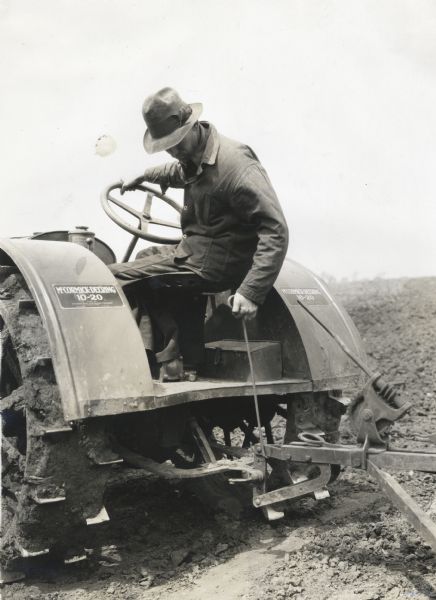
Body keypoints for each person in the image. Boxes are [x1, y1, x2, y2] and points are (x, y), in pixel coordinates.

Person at [109, 87, 289, 379]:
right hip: (200, 252)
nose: (174, 151)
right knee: (145, 257)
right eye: (167, 146)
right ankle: (185, 355)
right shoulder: (195, 155)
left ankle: (167, 358)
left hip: (217, 263)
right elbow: (180, 172)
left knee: (114, 277)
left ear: (190, 125)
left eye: (176, 143)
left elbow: (275, 229)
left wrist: (251, 292)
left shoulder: (235, 165)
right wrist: (145, 176)